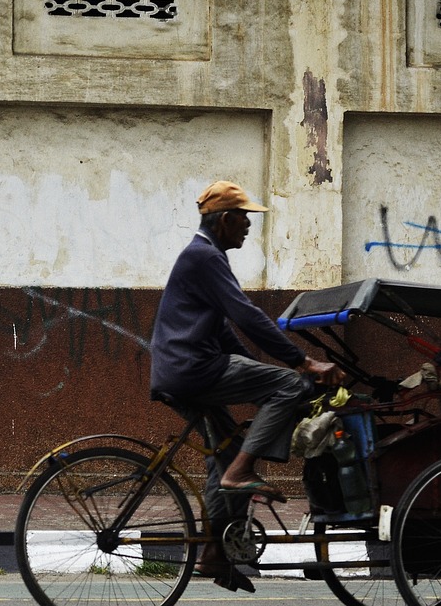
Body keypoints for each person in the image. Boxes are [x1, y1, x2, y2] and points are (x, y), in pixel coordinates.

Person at [149, 180, 342, 591]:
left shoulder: (205, 256)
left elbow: (225, 331)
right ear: (224, 221)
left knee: (225, 452)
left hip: (183, 368)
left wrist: (259, 374)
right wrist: (301, 363)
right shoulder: (205, 257)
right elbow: (246, 315)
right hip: (193, 369)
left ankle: (214, 554)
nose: (248, 226)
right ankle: (242, 473)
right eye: (244, 218)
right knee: (292, 388)